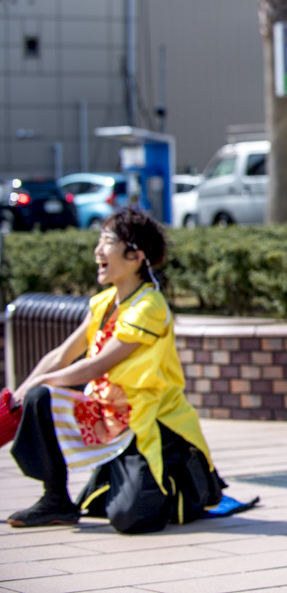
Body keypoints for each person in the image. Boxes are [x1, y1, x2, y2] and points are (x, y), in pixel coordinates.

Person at [7, 208, 225, 533]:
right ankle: (55, 500)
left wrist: (40, 380)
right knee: (39, 397)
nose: (98, 251)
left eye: (107, 241)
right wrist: (21, 390)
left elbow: (97, 365)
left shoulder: (149, 306)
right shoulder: (104, 302)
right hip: (103, 411)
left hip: (144, 418)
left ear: (136, 255)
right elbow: (63, 355)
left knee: (129, 518)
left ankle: (171, 490)